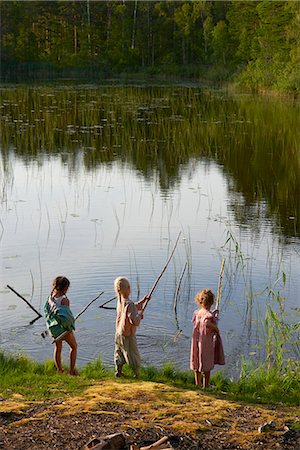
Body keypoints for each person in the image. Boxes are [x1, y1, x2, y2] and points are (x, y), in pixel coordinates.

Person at [114, 276, 150, 378]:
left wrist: (143, 301)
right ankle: (136, 374)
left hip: (118, 333)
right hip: (128, 335)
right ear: (128, 288)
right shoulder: (129, 304)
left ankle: (119, 371)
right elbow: (135, 321)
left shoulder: (120, 301)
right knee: (132, 354)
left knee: (119, 352)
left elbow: (133, 307)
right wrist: (139, 317)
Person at [190, 288, 225, 388]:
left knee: (197, 362)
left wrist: (213, 314)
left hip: (196, 341)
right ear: (211, 302)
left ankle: (197, 384)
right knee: (207, 364)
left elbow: (202, 320)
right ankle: (206, 385)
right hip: (205, 343)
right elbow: (206, 323)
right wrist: (216, 328)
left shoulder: (197, 313)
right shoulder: (208, 315)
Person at [44, 276, 78, 375]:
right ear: (65, 288)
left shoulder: (50, 298)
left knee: (58, 348)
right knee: (74, 347)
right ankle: (71, 371)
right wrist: (70, 326)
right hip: (64, 329)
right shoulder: (64, 300)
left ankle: (60, 370)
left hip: (54, 328)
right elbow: (67, 317)